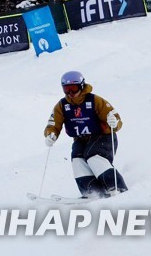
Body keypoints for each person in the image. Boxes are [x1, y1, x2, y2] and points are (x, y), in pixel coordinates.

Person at [43, 70, 128, 198]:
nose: (70, 93)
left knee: (93, 156)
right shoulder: (62, 105)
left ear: (81, 86)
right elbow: (53, 124)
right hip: (80, 139)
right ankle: (93, 192)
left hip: (103, 137)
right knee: (77, 160)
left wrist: (114, 123)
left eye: (73, 88)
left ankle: (116, 187)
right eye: (66, 89)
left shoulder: (95, 100)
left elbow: (114, 117)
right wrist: (51, 134)